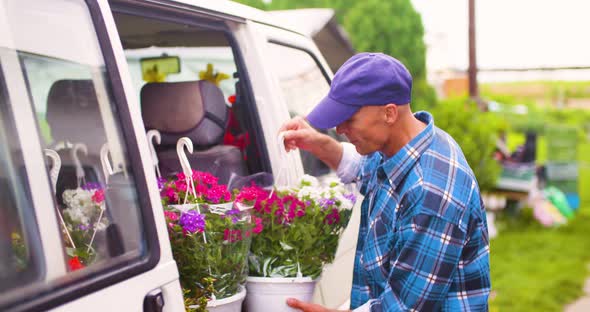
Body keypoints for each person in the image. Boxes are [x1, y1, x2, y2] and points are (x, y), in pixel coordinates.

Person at [281, 53, 490, 311]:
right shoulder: (405, 144)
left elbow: (406, 308)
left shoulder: (431, 194)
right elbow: (366, 170)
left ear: (389, 113)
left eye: (349, 118)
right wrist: (319, 144)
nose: (339, 128)